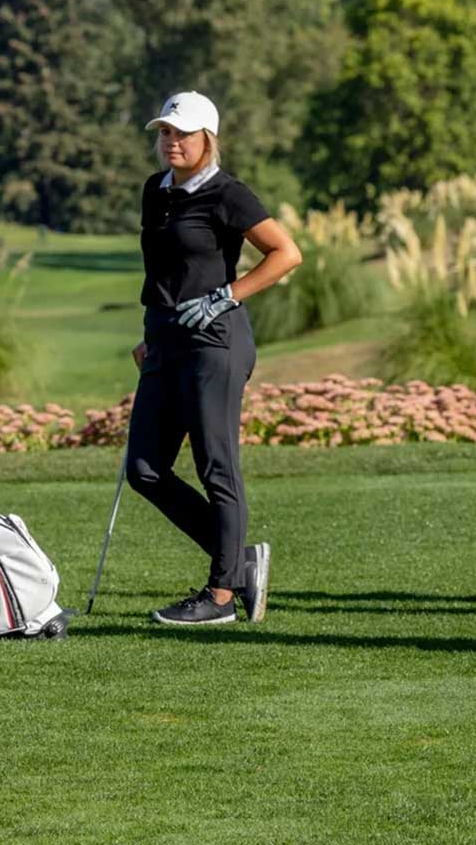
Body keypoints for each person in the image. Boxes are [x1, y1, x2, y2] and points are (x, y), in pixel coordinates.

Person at [125, 91, 302, 626]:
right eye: (164, 133)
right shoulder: (154, 192)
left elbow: (286, 253)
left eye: (181, 133)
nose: (170, 141)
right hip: (165, 343)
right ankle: (241, 562)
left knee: (215, 466)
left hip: (215, 344)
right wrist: (150, 331)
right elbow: (164, 271)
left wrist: (230, 293)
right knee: (145, 469)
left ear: (208, 139)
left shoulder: (228, 194)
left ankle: (222, 596)